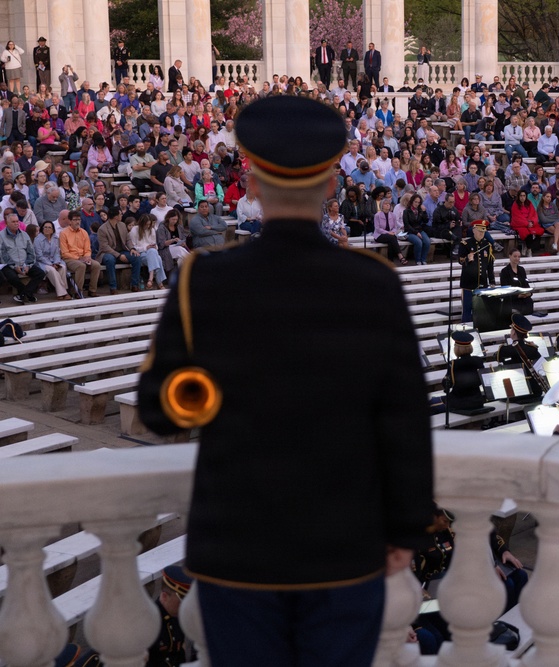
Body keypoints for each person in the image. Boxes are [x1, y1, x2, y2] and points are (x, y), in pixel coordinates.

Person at [137, 96, 434, 666]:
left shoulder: (202, 279)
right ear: (331, 184)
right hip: (346, 548)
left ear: (252, 181)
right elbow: (405, 420)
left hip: (237, 549)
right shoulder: (373, 282)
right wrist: (405, 530)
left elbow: (159, 410)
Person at [146, 566, 192, 667]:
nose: (185, 607)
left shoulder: (177, 616)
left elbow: (179, 654)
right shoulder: (148, 623)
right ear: (164, 596)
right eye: (181, 601)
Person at [0, 207, 44, 303]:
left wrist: (28, 265)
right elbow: (3, 255)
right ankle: (27, 293)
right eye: (13, 222)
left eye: (17, 221)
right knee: (12, 277)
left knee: (40, 273)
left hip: (24, 263)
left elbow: (31, 252)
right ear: (7, 223)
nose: (16, 223)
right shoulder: (1, 236)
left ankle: (23, 294)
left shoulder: (24, 235)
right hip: (9, 264)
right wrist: (15, 266)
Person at [97, 208, 143, 293]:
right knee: (110, 260)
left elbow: (128, 239)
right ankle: (113, 287)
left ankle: (135, 285)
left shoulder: (122, 225)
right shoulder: (102, 229)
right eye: (120, 214)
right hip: (108, 253)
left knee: (136, 257)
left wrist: (132, 248)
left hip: (122, 250)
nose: (122, 215)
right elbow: (104, 247)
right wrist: (118, 255)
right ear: (116, 217)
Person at [458, 220, 495, 322]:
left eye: (483, 231)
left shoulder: (487, 245)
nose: (481, 233)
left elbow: (490, 266)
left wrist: (492, 281)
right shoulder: (465, 244)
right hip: (468, 284)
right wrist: (467, 258)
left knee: (481, 311)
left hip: (482, 283)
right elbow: (460, 260)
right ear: (474, 230)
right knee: (467, 310)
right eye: (479, 231)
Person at [59, 211, 101, 296]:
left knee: (96, 265)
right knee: (81, 266)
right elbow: (64, 252)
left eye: (79, 219)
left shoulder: (84, 232)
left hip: (83, 257)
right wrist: (78, 258)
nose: (77, 222)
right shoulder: (63, 233)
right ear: (70, 221)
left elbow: (87, 249)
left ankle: (92, 290)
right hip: (69, 258)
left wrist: (87, 257)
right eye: (75, 220)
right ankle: (78, 291)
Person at [33, 219, 69, 299]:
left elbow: (57, 253)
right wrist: (51, 264)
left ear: (53, 230)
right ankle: (62, 293)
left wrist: (56, 262)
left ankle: (63, 290)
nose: (47, 229)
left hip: (54, 261)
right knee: (52, 270)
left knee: (62, 268)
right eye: (45, 227)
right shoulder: (37, 240)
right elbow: (39, 256)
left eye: (49, 227)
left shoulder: (56, 238)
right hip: (42, 262)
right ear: (42, 229)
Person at [499, 247, 533, 315]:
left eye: (519, 257)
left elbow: (526, 285)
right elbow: (505, 288)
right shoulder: (505, 271)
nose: (517, 258)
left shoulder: (521, 269)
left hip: (522, 297)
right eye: (515, 256)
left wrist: (528, 293)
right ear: (510, 256)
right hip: (512, 298)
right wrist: (517, 295)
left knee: (529, 301)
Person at [156, 208, 189, 277]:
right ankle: (192, 259)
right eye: (173, 219)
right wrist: (172, 240)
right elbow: (161, 244)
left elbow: (183, 238)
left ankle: (181, 277)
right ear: (168, 218)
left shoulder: (179, 226)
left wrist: (183, 243)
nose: (174, 221)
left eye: (176, 219)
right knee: (179, 250)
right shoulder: (162, 228)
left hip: (178, 248)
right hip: (166, 249)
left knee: (181, 259)